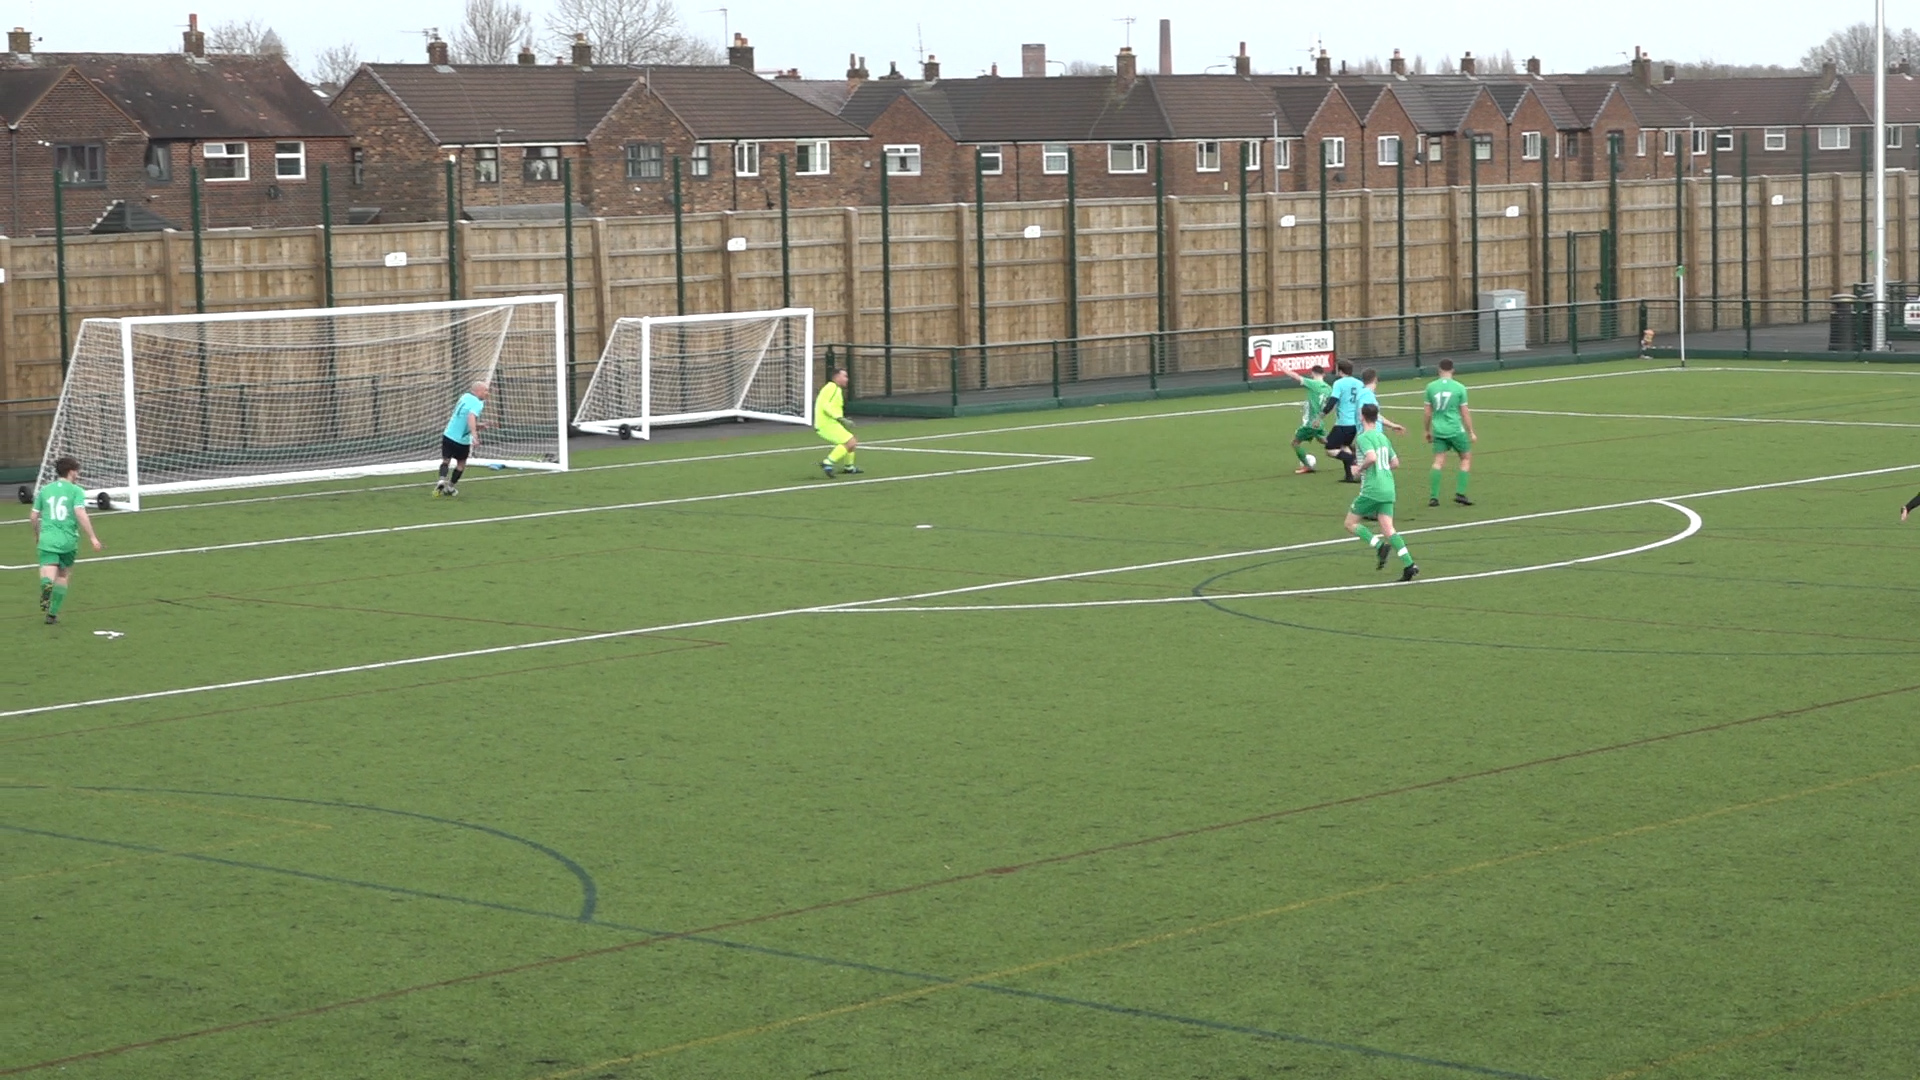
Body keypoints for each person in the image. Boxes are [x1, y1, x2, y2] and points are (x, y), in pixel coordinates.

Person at [1345, 403, 1418, 583]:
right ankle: (1409, 565)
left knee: (1350, 523)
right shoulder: (1383, 437)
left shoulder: (1363, 437)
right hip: (1388, 487)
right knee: (1388, 528)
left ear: (1362, 416)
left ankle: (1378, 546)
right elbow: (1395, 463)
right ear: (1377, 417)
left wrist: (1359, 470)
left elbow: (1371, 457)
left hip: (1373, 488)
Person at [31, 457, 104, 624]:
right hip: (68, 541)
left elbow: (34, 516)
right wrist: (93, 537)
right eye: (77, 471)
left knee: (48, 572)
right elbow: (79, 512)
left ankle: (46, 585)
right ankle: (52, 614)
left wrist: (37, 534)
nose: (78, 474)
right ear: (71, 471)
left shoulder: (45, 490)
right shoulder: (76, 491)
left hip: (48, 539)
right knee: (63, 575)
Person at [1423, 358, 1477, 507]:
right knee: (1465, 458)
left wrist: (1427, 430)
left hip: (1438, 430)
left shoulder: (1430, 387)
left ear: (1439, 370)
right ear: (1453, 370)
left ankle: (1434, 497)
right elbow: (1465, 412)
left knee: (1438, 461)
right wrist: (1471, 431)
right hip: (1455, 429)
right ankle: (1460, 492)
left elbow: (1427, 413)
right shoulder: (1459, 387)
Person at [436, 381, 490, 497]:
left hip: (448, 434)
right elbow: (470, 417)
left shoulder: (464, 397)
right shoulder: (478, 403)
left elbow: (462, 417)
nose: (487, 393)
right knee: (461, 464)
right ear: (478, 391)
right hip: (461, 440)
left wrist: (479, 426)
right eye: (485, 390)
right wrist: (475, 435)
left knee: (446, 460)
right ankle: (450, 487)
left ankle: (441, 479)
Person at [1282, 364, 1332, 473]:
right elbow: (1329, 405)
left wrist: (1284, 369)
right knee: (1324, 440)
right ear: (1324, 374)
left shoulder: (1312, 383)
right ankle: (1347, 450)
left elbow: (1296, 376)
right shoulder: (1329, 389)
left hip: (1311, 423)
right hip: (1320, 421)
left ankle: (1307, 466)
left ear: (1312, 373)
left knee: (1295, 443)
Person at [1322, 360, 1364, 482]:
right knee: (1344, 446)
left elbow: (1332, 401)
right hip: (1355, 424)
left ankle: (1352, 460)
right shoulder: (1359, 383)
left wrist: (1320, 417)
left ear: (1340, 371)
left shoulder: (1338, 383)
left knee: (1330, 448)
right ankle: (1349, 476)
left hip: (1343, 423)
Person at [815, 368, 861, 477]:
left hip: (831, 423)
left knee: (852, 441)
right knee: (850, 441)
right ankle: (828, 462)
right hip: (826, 424)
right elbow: (825, 406)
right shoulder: (831, 388)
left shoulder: (835, 389)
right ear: (837, 377)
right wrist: (840, 418)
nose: (847, 379)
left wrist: (840, 419)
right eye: (844, 376)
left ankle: (849, 467)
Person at [1356, 369, 1408, 435]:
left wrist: (1392, 425)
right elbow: (1363, 414)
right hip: (1371, 435)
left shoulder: (1366, 393)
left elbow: (1374, 415)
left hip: (1373, 434)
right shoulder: (1366, 394)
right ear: (1375, 379)